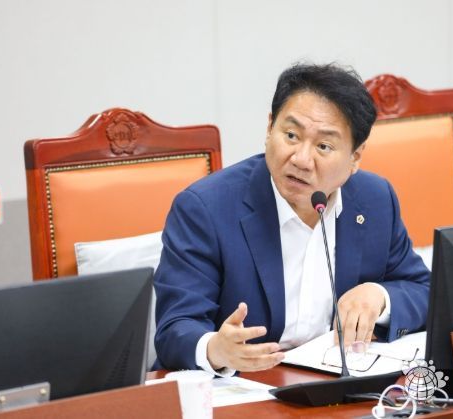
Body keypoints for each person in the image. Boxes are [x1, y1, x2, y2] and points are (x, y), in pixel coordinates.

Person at [154, 63, 430, 374]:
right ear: (269, 128)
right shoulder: (205, 209)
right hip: (245, 385)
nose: (301, 159)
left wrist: (380, 296)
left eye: (323, 146)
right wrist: (215, 349)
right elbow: (175, 328)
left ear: (354, 157)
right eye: (291, 135)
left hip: (338, 384)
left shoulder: (375, 200)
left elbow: (424, 289)